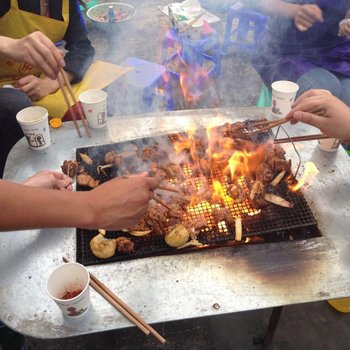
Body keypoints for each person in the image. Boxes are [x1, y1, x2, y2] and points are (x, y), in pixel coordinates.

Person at [252, 1, 350, 105]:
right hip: (286, 51)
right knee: (322, 88)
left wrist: (347, 21)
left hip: (336, 51)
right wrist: (295, 11)